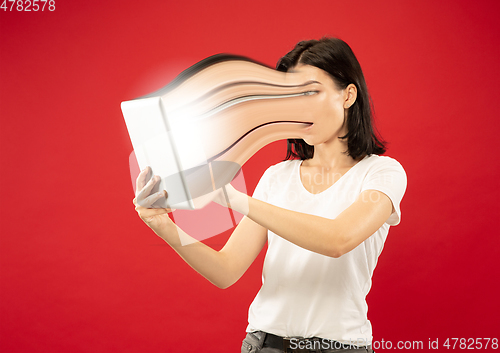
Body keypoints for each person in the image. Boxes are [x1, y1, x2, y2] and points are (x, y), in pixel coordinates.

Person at [133, 37, 407, 353]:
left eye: (311, 91)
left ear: (348, 95)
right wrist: (162, 225)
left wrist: (235, 199)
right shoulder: (278, 177)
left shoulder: (382, 173)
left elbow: (337, 240)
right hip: (265, 344)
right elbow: (225, 270)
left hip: (342, 346)